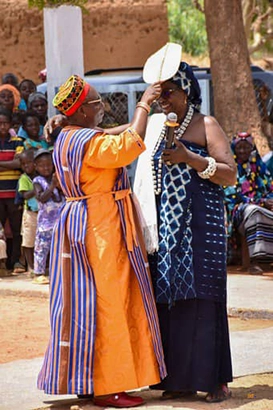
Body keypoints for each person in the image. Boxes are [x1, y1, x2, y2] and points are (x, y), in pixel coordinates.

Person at [37, 74, 166, 407]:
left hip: (86, 225)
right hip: (100, 228)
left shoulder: (69, 136)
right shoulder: (88, 142)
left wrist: (142, 118)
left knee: (89, 303)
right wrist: (144, 102)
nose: (103, 109)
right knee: (109, 305)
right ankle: (109, 388)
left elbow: (112, 133)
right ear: (81, 112)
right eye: (97, 104)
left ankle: (99, 380)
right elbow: (128, 145)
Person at [134, 61, 237, 403]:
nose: (163, 99)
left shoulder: (206, 124)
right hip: (167, 228)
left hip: (201, 229)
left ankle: (215, 379)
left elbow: (229, 174)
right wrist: (72, 126)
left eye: (168, 92)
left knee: (204, 299)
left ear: (186, 90)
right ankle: (177, 378)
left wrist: (190, 158)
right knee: (170, 298)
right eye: (159, 93)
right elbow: (120, 132)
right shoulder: (156, 126)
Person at [224, 132, 273, 274]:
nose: (242, 151)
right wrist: (260, 202)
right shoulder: (231, 168)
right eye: (239, 147)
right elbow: (231, 195)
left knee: (258, 211)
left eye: (246, 148)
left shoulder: (259, 166)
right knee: (254, 212)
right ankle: (255, 262)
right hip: (239, 210)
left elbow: (270, 187)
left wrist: (270, 200)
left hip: (261, 205)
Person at [32, 149, 64, 285]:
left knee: (60, 247)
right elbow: (42, 198)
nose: (46, 168)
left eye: (49, 165)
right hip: (46, 223)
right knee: (42, 247)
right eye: (42, 165)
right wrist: (52, 186)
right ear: (36, 167)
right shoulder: (37, 181)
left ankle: (58, 271)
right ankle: (38, 273)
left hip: (60, 221)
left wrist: (59, 185)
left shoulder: (57, 178)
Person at [0, 107, 24, 271]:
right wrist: (10, 164)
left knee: (17, 230)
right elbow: (14, 163)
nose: (2, 126)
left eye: (5, 123)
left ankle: (15, 261)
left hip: (13, 193)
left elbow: (19, 163)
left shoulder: (18, 141)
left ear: (10, 124)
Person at [18, 150, 38, 273]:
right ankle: (30, 266)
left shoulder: (40, 176)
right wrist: (37, 189)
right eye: (23, 164)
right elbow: (25, 195)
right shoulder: (24, 178)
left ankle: (40, 265)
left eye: (29, 163)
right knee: (28, 240)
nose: (26, 166)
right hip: (30, 214)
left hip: (43, 213)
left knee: (41, 240)